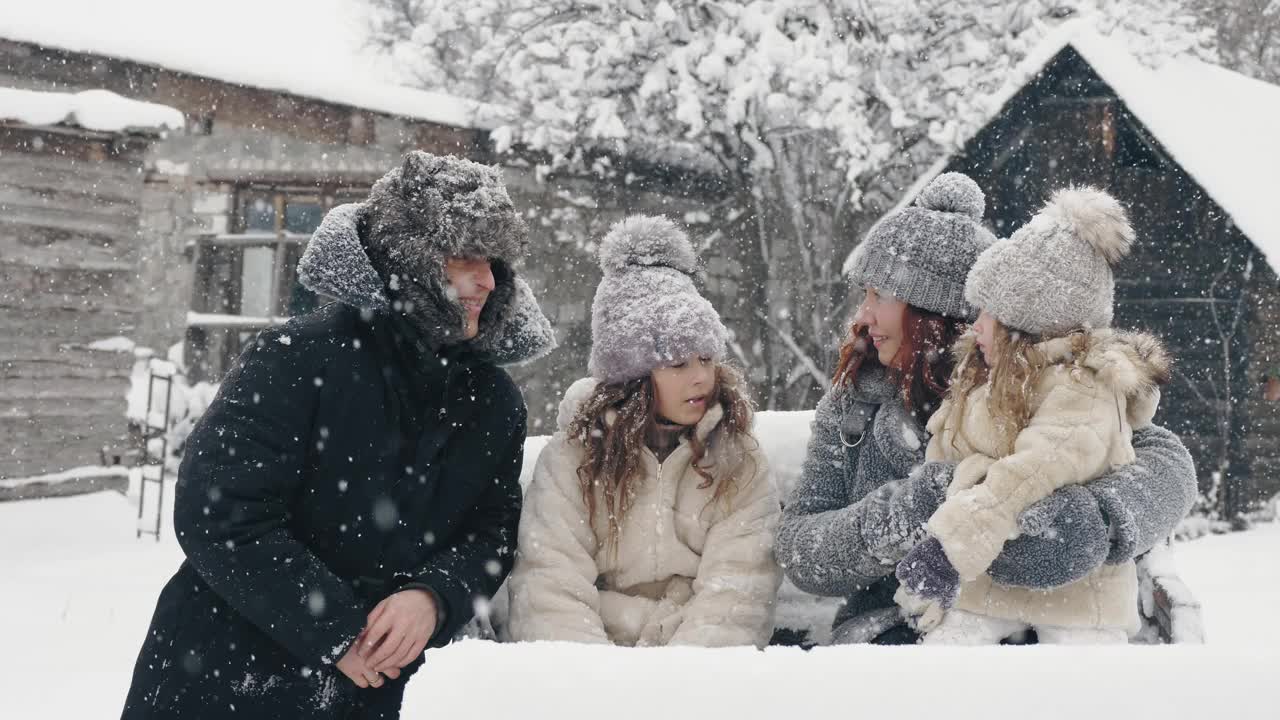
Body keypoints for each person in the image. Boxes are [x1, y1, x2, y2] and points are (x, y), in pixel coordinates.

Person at [121, 151, 555, 718]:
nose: (486, 280)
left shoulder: (493, 402)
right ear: (414, 261)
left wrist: (433, 598)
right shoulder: (297, 359)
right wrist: (337, 629)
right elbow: (220, 515)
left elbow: (491, 531)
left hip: (365, 690)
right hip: (221, 673)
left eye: (493, 261)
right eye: (464, 257)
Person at [773, 172, 1198, 645]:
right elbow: (800, 551)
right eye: (865, 295)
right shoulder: (856, 405)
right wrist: (913, 508)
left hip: (1028, 633)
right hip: (894, 632)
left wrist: (1093, 520)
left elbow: (1168, 462)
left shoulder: (1036, 387)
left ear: (937, 311)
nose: (862, 316)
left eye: (880, 296)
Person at [895, 187, 1168, 644]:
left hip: (1075, 608)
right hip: (985, 593)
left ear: (1029, 322)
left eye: (989, 313)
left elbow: (1028, 475)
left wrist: (948, 547)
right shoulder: (989, 380)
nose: (975, 325)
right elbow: (946, 462)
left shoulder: (1084, 390)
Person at [506, 215, 781, 647]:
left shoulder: (736, 457)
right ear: (632, 375)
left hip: (698, 673)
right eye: (678, 363)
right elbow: (549, 590)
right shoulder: (574, 456)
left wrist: (677, 686)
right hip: (596, 672)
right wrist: (603, 688)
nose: (700, 378)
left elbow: (739, 593)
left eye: (706, 358)